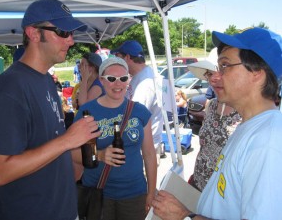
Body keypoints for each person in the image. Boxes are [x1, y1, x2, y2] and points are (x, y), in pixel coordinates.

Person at [0, 0, 101, 220]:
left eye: (72, 33)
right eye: (63, 32)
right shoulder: (10, 88)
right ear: (34, 34)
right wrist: (68, 140)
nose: (71, 40)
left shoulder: (45, 79)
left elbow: (45, 145)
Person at [152, 27, 282, 219]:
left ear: (257, 73)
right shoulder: (251, 127)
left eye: (224, 66)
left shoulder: (268, 141)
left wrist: (184, 216)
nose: (216, 76)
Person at [72, 57, 157, 220]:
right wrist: (100, 155)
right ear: (102, 81)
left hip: (135, 193)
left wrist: (151, 192)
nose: (118, 84)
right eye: (111, 79)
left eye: (123, 78)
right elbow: (71, 152)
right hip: (98, 192)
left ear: (128, 81)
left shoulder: (139, 111)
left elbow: (149, 154)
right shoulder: (87, 111)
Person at [187, 60, 241, 192]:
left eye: (221, 73)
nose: (213, 79)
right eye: (209, 74)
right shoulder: (211, 105)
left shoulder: (245, 112)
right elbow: (204, 146)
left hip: (223, 194)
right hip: (199, 184)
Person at [111, 40, 163, 166]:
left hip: (143, 150)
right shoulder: (141, 77)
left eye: (118, 58)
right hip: (140, 147)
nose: (117, 62)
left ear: (127, 57)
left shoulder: (146, 83)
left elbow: (133, 118)